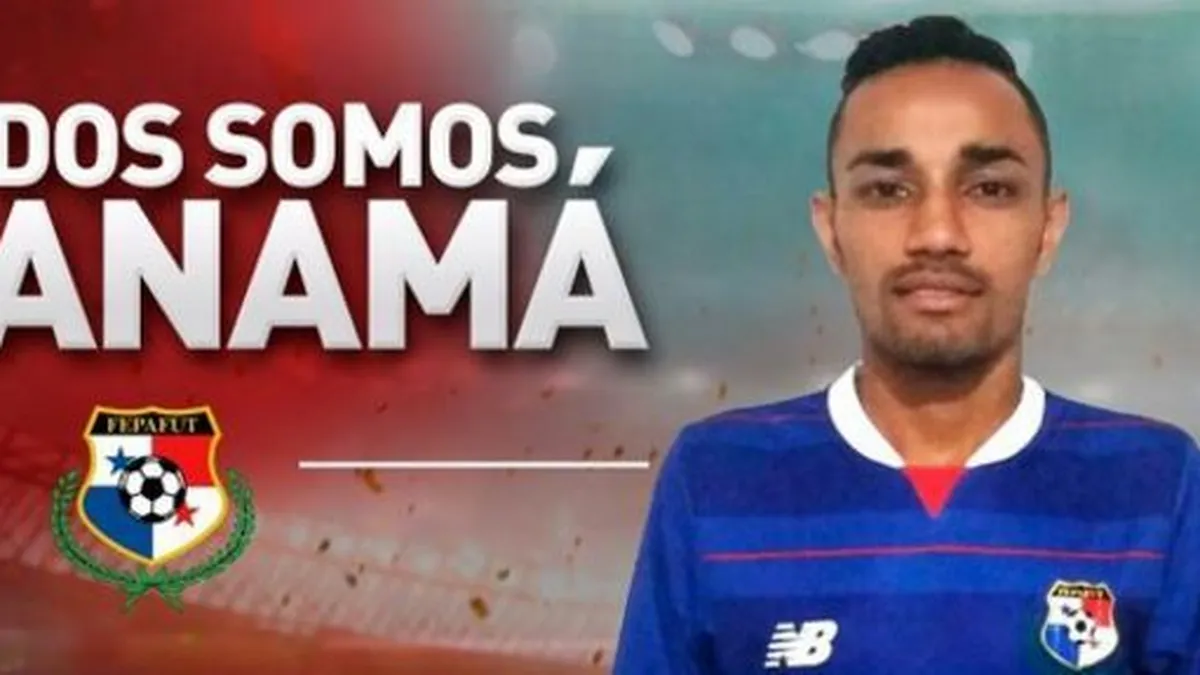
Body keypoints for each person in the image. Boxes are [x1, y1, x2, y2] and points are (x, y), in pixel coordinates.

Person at [613, 15, 1199, 674]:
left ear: (1048, 226)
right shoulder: (715, 477)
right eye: (888, 190)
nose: (938, 233)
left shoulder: (1159, 482)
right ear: (831, 229)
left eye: (989, 188)